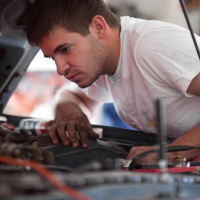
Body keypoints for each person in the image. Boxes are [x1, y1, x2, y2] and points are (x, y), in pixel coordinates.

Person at [27, 0, 200, 164]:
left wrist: (175, 152)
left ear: (98, 27)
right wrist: (66, 106)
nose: (60, 69)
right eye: (52, 58)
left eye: (65, 49)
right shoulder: (102, 64)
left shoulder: (152, 45)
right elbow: (71, 95)